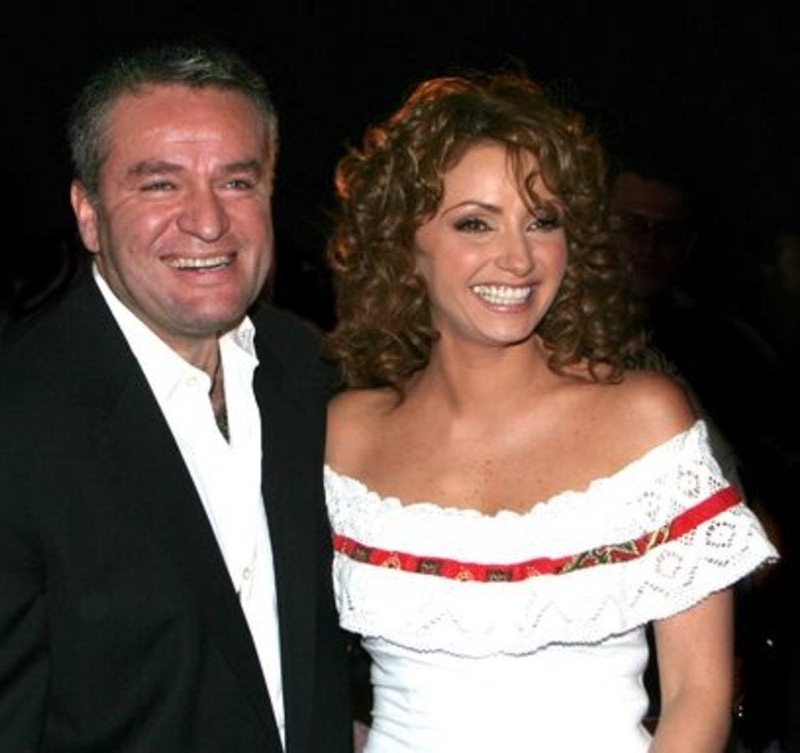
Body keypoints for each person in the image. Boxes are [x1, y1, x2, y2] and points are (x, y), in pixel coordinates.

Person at [0, 43, 352, 752]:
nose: (208, 220)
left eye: (237, 182)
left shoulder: (311, 374)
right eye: (160, 185)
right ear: (88, 214)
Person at [322, 71, 778, 752]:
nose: (518, 258)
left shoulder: (643, 420)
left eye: (543, 221)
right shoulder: (345, 434)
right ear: (403, 242)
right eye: (475, 222)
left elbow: (698, 695)